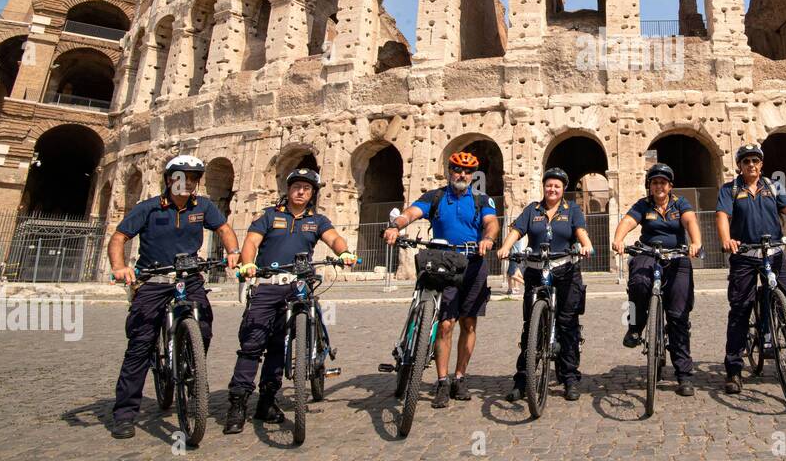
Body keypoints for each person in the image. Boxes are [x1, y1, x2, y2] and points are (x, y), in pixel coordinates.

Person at [106, 155, 239, 439]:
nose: (188, 182)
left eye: (193, 178)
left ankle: (192, 371)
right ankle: (124, 413)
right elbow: (119, 238)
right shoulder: (149, 208)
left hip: (188, 278)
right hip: (153, 279)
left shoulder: (202, 206)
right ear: (169, 180)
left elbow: (224, 229)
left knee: (203, 327)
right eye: (182, 177)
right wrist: (119, 267)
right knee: (140, 345)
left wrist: (232, 253)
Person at [223, 168, 354, 434]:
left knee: (279, 346)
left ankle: (268, 400)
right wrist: (247, 263)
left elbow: (334, 240)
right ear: (288, 189)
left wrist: (345, 252)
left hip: (298, 286)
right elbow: (251, 242)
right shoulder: (270, 216)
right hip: (269, 285)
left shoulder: (317, 220)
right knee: (252, 344)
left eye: (307, 188)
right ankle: (237, 403)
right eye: (296, 186)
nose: (301, 191)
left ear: (312, 193)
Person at [383, 150, 500, 408]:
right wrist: (396, 226)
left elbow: (491, 223)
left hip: (472, 264)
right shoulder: (435, 197)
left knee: (469, 324)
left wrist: (488, 239)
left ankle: (460, 376)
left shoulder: (482, 200)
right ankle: (442, 380)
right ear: (449, 171)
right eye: (458, 169)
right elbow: (411, 213)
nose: (462, 174)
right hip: (443, 264)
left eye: (467, 171)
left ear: (473, 175)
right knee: (446, 324)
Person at [716, 143, 786, 393]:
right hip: (744, 255)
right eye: (746, 161)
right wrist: (726, 239)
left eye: (755, 160)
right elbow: (722, 216)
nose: (751, 165)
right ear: (739, 166)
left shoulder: (774, 186)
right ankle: (733, 368)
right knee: (740, 309)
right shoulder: (730, 188)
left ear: (761, 164)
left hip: (774, 253)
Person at [496, 168, 593, 402]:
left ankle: (569, 378)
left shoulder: (573, 210)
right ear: (544, 187)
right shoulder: (533, 210)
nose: (552, 189)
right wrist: (506, 247)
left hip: (565, 271)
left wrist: (586, 245)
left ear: (563, 190)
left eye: (557, 186)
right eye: (549, 185)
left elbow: (581, 232)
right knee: (531, 326)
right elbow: (517, 231)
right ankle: (522, 379)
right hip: (536, 270)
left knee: (568, 324)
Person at [611, 163, 703, 396]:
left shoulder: (680, 203)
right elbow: (628, 221)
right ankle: (635, 326)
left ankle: (684, 374)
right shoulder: (644, 205)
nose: (659, 186)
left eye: (663, 182)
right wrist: (619, 239)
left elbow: (690, 221)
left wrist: (695, 242)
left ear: (670, 186)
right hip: (649, 253)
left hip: (676, 257)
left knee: (678, 316)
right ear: (649, 186)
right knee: (638, 283)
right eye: (654, 182)